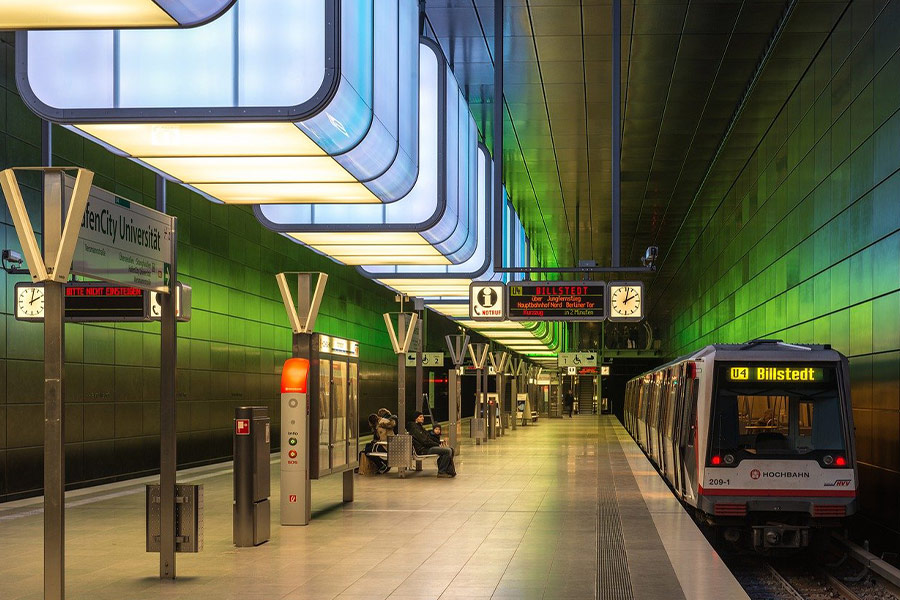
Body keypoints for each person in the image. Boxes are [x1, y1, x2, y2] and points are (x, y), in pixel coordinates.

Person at [407, 411, 456, 477]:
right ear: (416, 419)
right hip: (423, 450)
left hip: (427, 447)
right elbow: (425, 441)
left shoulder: (419, 427)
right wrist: (437, 445)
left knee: (451, 449)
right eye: (420, 417)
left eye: (423, 416)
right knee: (448, 451)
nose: (423, 418)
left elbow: (429, 438)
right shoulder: (415, 429)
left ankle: (449, 470)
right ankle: (441, 472)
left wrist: (439, 442)